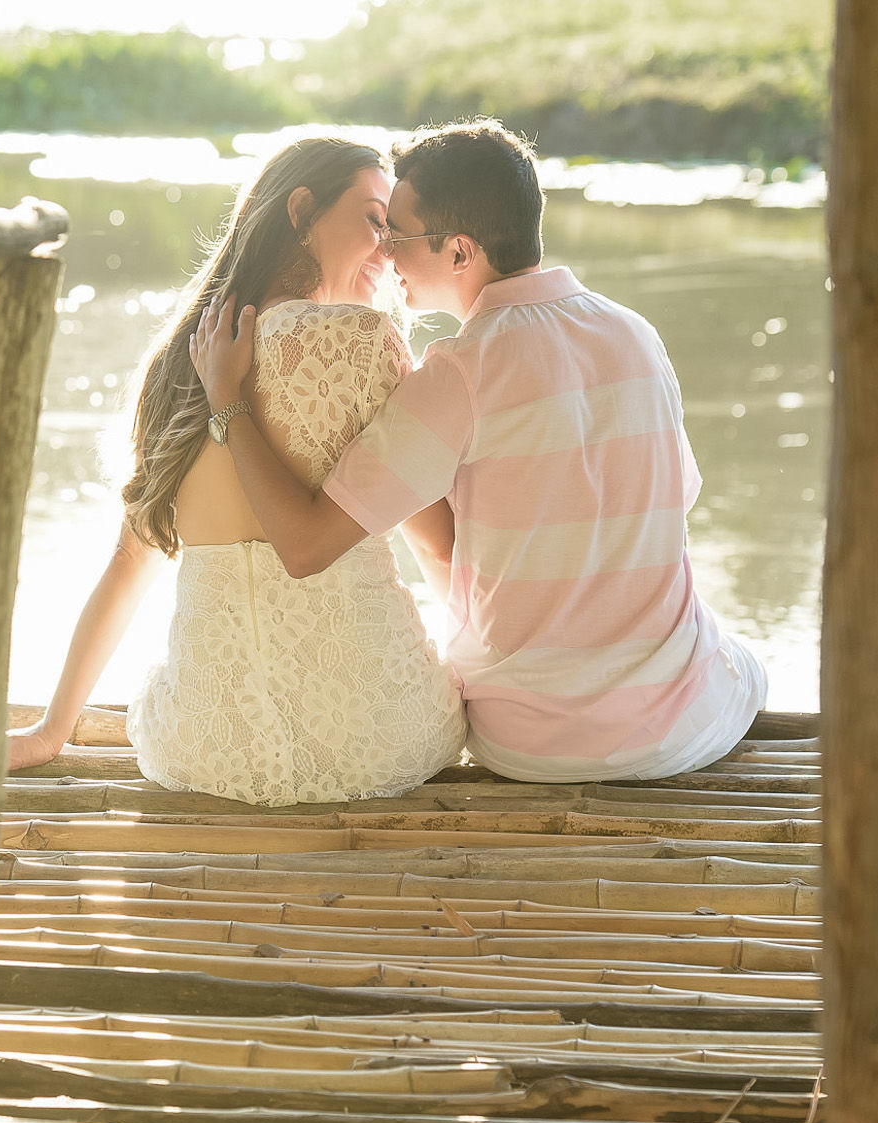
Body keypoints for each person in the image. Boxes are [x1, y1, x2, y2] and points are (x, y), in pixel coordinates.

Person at [191, 119, 766, 784]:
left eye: (397, 234)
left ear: (459, 252)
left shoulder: (457, 373)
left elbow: (304, 546)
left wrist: (228, 403)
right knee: (733, 655)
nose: (385, 254)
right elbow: (671, 509)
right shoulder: (636, 335)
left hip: (535, 744)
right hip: (680, 728)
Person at [7, 138, 467, 806]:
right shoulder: (365, 343)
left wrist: (53, 730)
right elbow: (437, 547)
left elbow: (130, 563)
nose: (390, 247)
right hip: (379, 737)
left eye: (396, 230)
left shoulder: (178, 363)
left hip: (207, 751)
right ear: (302, 208)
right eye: (374, 219)